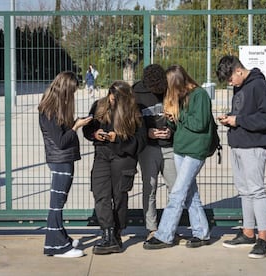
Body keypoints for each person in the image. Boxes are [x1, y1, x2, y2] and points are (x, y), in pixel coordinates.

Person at [143, 64, 213, 250]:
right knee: (190, 193)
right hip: (181, 149)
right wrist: (170, 125)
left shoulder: (199, 95)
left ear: (176, 82)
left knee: (177, 193)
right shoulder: (181, 97)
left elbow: (200, 123)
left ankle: (164, 234)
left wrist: (178, 115)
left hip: (194, 151)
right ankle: (202, 232)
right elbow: (181, 125)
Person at [216, 55, 266, 259]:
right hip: (239, 144)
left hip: (254, 146)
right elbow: (242, 115)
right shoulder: (240, 86)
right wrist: (230, 119)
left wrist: (238, 120)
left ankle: (264, 239)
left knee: (257, 191)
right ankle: (248, 232)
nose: (229, 83)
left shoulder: (259, 86)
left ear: (239, 71)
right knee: (244, 191)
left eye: (230, 78)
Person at [83, 80, 147, 255]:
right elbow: (88, 128)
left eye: (115, 101)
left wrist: (116, 138)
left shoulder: (134, 112)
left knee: (119, 196)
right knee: (100, 193)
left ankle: (116, 235)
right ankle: (107, 233)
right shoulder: (99, 105)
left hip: (123, 157)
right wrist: (95, 134)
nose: (111, 102)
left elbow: (140, 142)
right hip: (102, 155)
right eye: (110, 99)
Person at [38, 71, 92, 258]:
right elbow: (61, 141)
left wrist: (76, 123)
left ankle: (61, 239)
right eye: (72, 92)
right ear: (65, 90)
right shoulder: (50, 110)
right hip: (60, 160)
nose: (73, 96)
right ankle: (56, 247)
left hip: (63, 160)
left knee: (58, 203)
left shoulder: (54, 108)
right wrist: (76, 126)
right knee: (56, 205)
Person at [132, 64, 177, 241]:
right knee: (149, 188)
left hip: (169, 146)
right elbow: (132, 123)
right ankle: (152, 228)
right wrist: (147, 132)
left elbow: (179, 117)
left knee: (174, 190)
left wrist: (171, 131)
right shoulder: (136, 93)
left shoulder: (170, 90)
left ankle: (169, 227)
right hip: (148, 148)